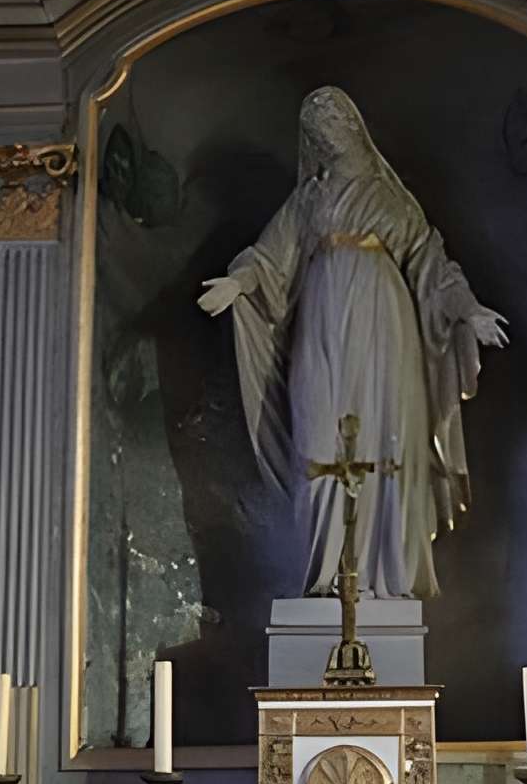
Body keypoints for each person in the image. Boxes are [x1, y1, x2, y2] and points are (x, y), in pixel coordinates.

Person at [199, 87, 505, 598]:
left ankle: (386, 578)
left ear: (354, 124)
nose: (325, 131)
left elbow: (432, 267)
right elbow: (271, 256)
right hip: (320, 325)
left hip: (385, 327)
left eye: (333, 119)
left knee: (385, 439)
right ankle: (325, 576)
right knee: (318, 438)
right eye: (315, 126)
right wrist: (240, 282)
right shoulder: (310, 198)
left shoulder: (391, 199)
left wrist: (468, 311)